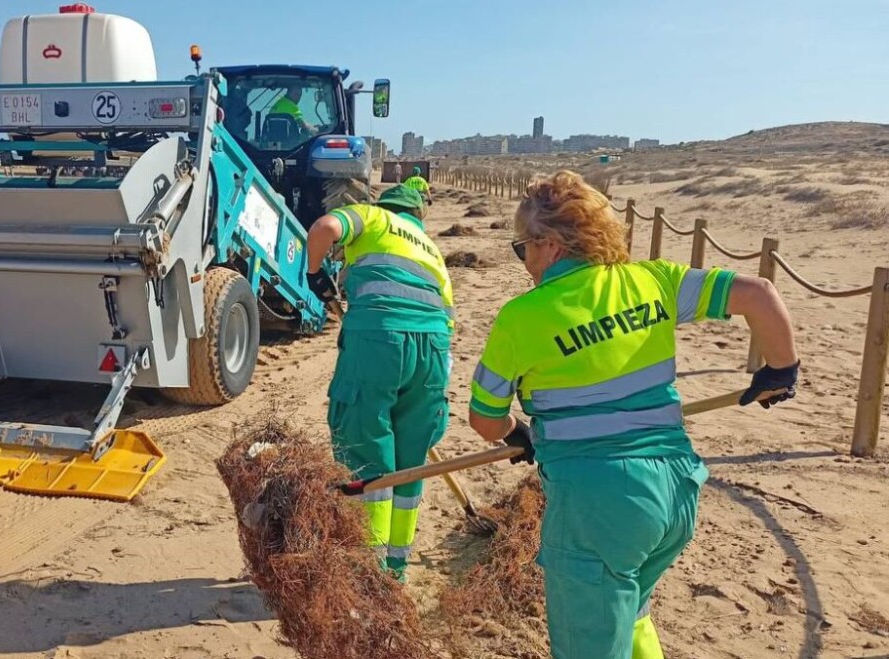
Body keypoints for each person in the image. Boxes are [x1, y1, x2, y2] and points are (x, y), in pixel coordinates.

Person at [467, 171, 799, 658]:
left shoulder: (523, 316)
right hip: (675, 492)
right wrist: (780, 371)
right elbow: (758, 294)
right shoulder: (653, 280)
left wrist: (519, 432)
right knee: (631, 608)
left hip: (600, 505)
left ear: (552, 246)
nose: (525, 264)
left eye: (524, 249)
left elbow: (484, 421)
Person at [304, 185, 455, 583]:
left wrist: (314, 273)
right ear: (418, 217)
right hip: (434, 351)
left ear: (383, 206)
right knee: (410, 462)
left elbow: (323, 228)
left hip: (379, 341)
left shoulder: (371, 217)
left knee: (365, 448)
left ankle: (365, 570)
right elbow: (449, 321)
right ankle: (395, 568)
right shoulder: (432, 250)